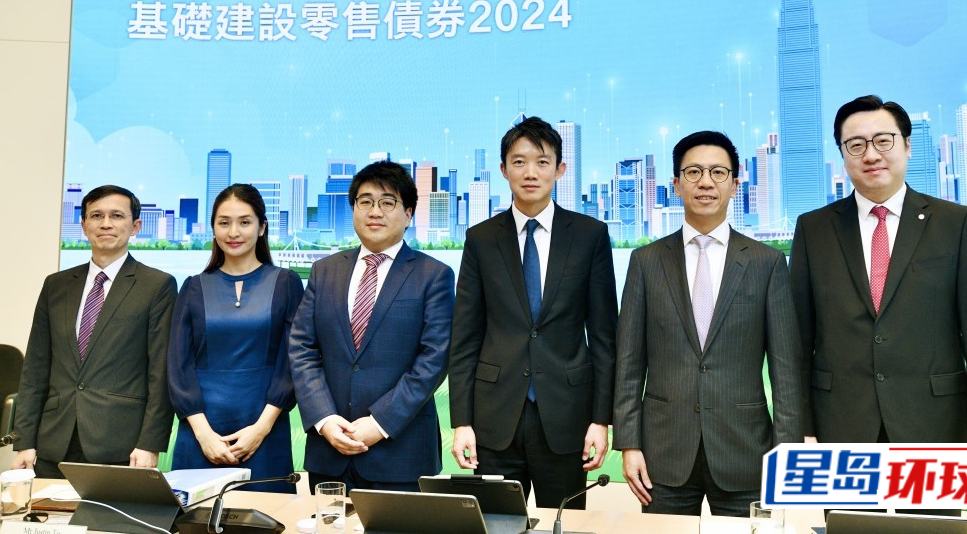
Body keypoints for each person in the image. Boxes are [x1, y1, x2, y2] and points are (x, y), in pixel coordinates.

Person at [790, 95, 967, 516]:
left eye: (883, 140)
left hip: (935, 429)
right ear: (842, 155)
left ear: (907, 146)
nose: (871, 154)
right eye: (855, 144)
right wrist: (799, 429)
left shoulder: (954, 223)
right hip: (843, 430)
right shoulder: (813, 229)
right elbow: (796, 344)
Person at [612, 131, 803, 517]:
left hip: (747, 451)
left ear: (735, 185)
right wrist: (629, 443)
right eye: (694, 172)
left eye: (718, 172)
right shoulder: (646, 262)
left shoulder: (766, 263)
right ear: (676, 184)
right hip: (663, 453)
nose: (705, 182)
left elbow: (786, 369)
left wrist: (786, 450)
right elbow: (629, 363)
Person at [449, 116, 618, 509]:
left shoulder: (589, 235)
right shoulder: (481, 239)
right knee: (495, 524)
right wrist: (462, 422)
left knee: (565, 523)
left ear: (560, 169)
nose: (530, 173)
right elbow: (465, 338)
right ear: (503, 169)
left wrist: (601, 420)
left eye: (542, 162)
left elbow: (604, 337)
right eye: (519, 162)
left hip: (567, 416)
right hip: (494, 418)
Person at [288, 160, 454, 493]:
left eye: (387, 202)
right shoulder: (324, 271)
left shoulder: (434, 275)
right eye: (365, 201)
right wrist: (324, 419)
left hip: (400, 453)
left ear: (408, 214)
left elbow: (433, 360)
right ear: (353, 209)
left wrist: (379, 424)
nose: (374, 211)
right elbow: (301, 348)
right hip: (329, 450)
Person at [12, 185, 177, 478]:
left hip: (121, 445)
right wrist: (24, 441)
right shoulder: (56, 285)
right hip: (53, 442)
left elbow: (160, 372)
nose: (106, 224)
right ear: (84, 225)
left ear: (136, 226)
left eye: (117, 216)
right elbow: (35, 368)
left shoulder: (157, 286)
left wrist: (150, 443)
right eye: (97, 216)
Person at [167, 184, 303, 492]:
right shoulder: (192, 287)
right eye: (224, 222)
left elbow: (292, 363)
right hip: (201, 434)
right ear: (213, 229)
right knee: (196, 516)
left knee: (267, 514)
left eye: (244, 222)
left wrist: (261, 429)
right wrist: (203, 434)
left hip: (264, 432)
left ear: (262, 227)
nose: (233, 232)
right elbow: (178, 366)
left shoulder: (286, 283)